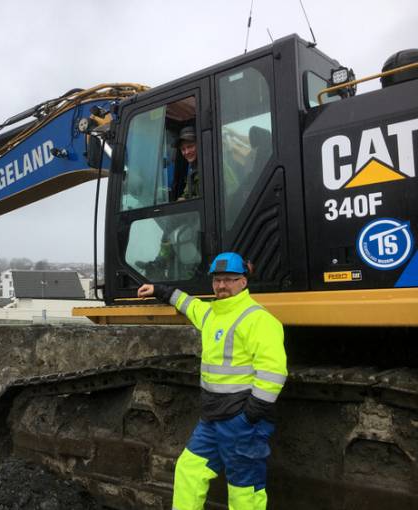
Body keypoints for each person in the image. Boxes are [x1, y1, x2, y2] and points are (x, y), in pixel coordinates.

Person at [137, 252, 287, 510]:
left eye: (229, 279)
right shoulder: (210, 314)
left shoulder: (259, 319)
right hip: (212, 419)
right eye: (217, 280)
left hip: (241, 421)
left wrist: (249, 417)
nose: (222, 286)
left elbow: (273, 373)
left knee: (244, 490)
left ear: (243, 282)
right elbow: (187, 303)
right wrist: (159, 290)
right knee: (189, 470)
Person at [172, 126, 200, 200]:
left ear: (199, 145)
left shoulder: (211, 165)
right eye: (183, 149)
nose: (186, 152)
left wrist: (187, 200)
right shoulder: (192, 169)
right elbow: (187, 194)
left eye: (190, 146)